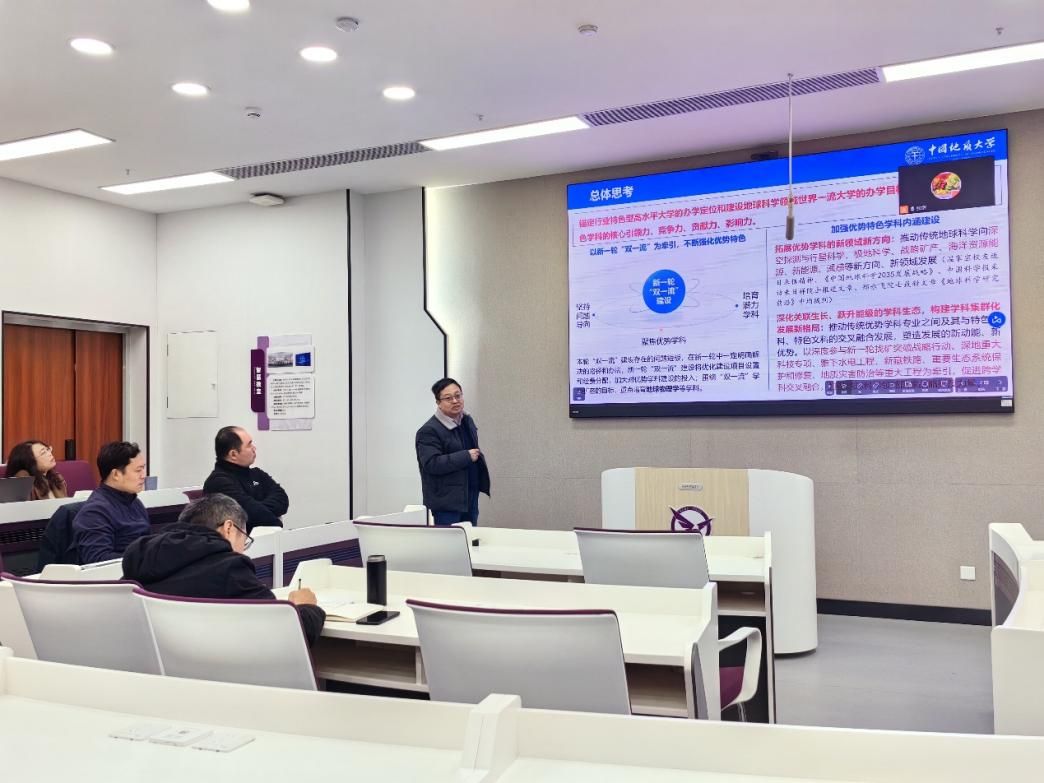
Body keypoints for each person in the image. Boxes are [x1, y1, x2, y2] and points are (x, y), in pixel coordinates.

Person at [122, 494, 326, 646]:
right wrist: (305, 607)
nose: (243, 550)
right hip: (216, 678)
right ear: (229, 528)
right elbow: (287, 636)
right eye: (244, 540)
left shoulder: (140, 558)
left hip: (149, 678)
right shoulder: (229, 568)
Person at [415, 377, 490, 526]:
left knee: (468, 538)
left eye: (458, 395)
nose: (455, 401)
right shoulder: (429, 430)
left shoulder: (467, 420)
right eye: (448, 398)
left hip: (469, 496)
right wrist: (466, 456)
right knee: (448, 540)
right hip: (446, 503)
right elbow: (431, 464)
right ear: (438, 402)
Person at [72, 441, 149, 564]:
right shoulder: (94, 513)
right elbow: (98, 561)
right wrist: (144, 559)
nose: (143, 475)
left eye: (143, 468)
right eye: (138, 470)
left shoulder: (135, 502)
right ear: (116, 474)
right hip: (120, 574)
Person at [203, 426, 288, 532]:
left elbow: (282, 500)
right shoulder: (218, 482)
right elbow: (254, 515)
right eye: (249, 445)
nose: (254, 448)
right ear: (233, 454)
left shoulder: (258, 474)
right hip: (240, 541)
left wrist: (259, 508)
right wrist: (272, 518)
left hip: (265, 538)